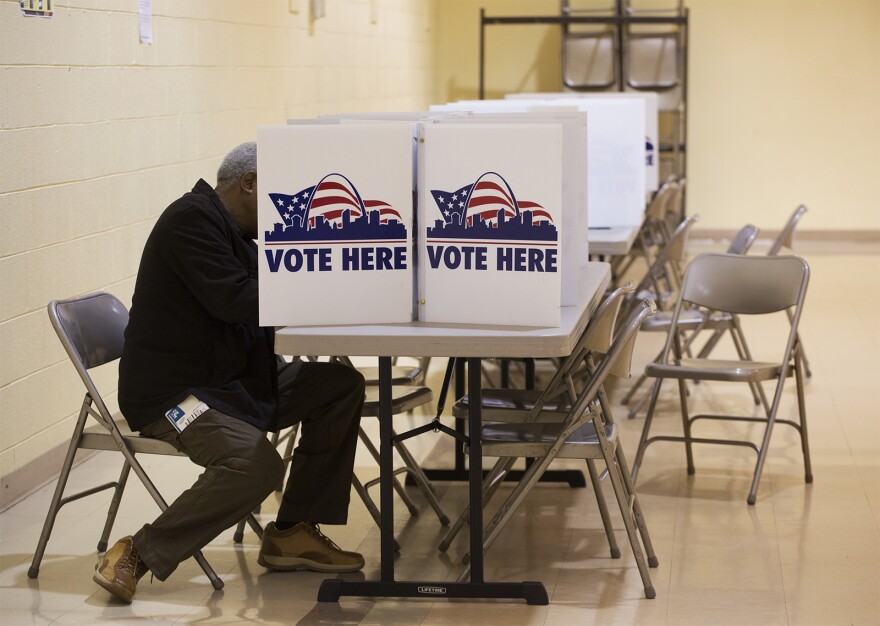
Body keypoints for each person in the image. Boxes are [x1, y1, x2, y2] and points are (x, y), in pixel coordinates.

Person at [94, 142, 366, 604]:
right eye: (278, 196)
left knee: (339, 387)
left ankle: (291, 531)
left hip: (235, 379)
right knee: (254, 465)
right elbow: (236, 300)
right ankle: (138, 551)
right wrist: (316, 287)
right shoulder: (190, 221)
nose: (284, 212)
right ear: (250, 183)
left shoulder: (238, 235)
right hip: (175, 395)